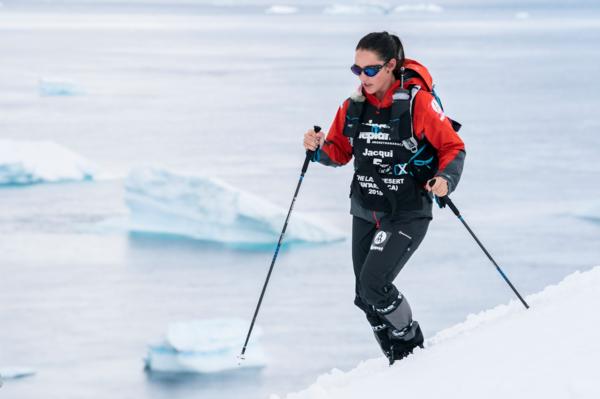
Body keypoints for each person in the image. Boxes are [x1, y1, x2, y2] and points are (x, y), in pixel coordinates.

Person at [303, 31, 465, 364]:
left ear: (391, 66)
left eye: (371, 70)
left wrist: (445, 180)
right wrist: (317, 149)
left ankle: (409, 344)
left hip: (406, 212)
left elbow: (453, 146)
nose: (363, 77)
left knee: (374, 284)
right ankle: (395, 358)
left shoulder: (417, 103)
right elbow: (339, 152)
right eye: (357, 70)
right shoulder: (353, 106)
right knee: (364, 296)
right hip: (365, 208)